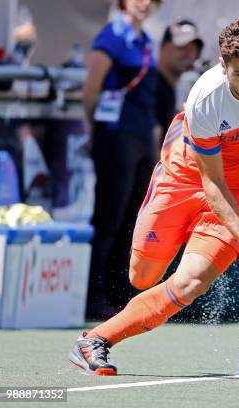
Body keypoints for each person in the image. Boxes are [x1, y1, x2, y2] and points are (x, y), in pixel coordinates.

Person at [69, 18, 239, 375]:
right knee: (142, 276)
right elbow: (212, 184)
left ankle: (96, 340)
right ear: (222, 65)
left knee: (191, 282)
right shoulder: (206, 98)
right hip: (185, 176)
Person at [83, 0, 161, 317]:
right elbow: (91, 89)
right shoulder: (111, 36)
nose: (144, 2)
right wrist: (97, 130)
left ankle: (118, 293)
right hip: (116, 137)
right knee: (109, 218)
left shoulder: (146, 40)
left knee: (133, 219)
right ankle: (94, 294)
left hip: (141, 137)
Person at [156, 19, 204, 137]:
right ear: (163, 48)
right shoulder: (149, 86)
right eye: (182, 47)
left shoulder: (175, 90)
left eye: (193, 49)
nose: (188, 54)